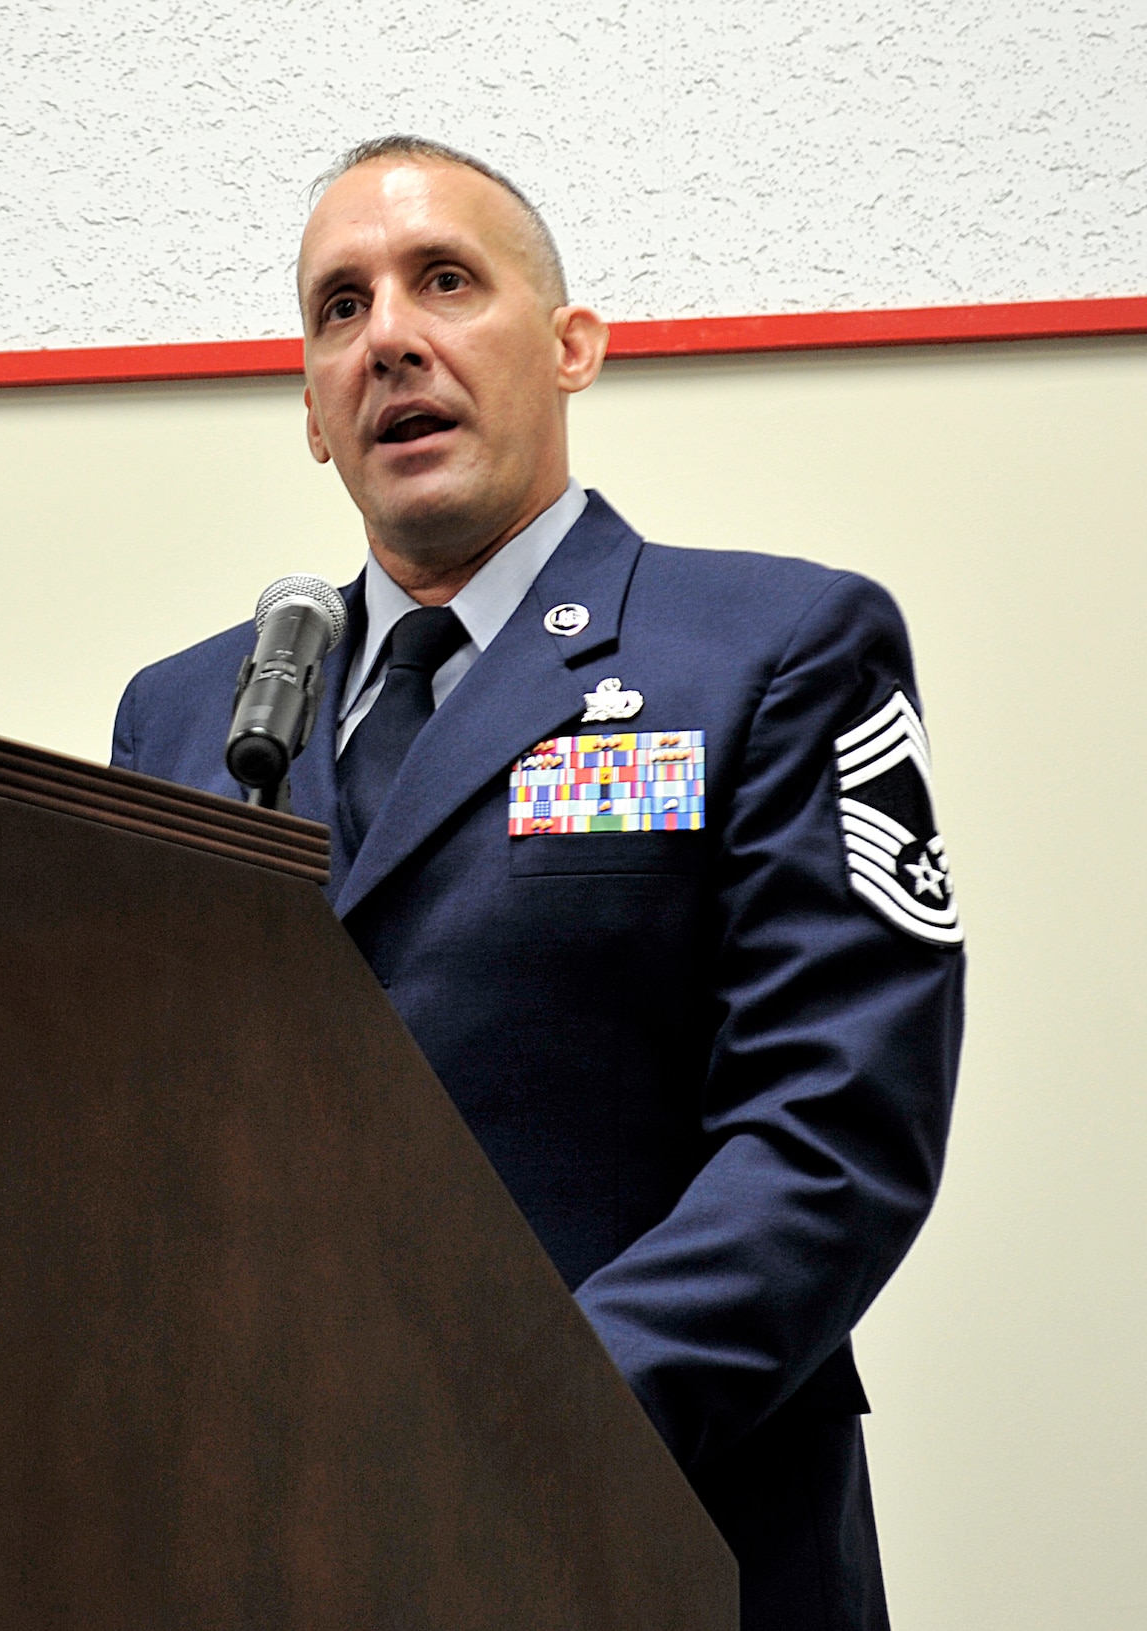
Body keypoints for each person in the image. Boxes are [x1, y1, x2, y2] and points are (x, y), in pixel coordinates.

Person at [110, 135, 964, 1631]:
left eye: (445, 280)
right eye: (340, 309)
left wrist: (528, 1416)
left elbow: (833, 1129)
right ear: (313, 412)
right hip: (259, 1537)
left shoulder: (770, 650)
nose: (390, 338)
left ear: (571, 346)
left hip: (656, 1521)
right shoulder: (189, 717)